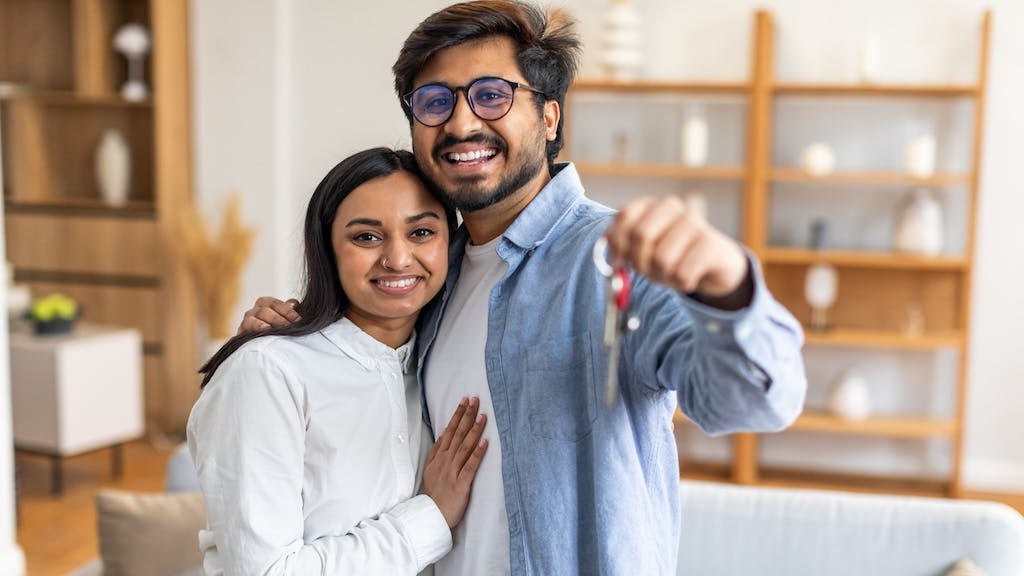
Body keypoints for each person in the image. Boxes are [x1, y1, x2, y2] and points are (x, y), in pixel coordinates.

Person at [240, 2, 807, 574]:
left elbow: (755, 401)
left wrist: (727, 289)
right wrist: (296, 345)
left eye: (492, 95)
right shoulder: (428, 279)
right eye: (436, 102)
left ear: (550, 118)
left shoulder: (614, 258)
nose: (461, 124)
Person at [188, 147, 491, 575]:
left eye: (421, 232)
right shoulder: (268, 372)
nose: (398, 258)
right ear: (327, 248)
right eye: (366, 237)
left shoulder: (438, 361)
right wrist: (432, 515)